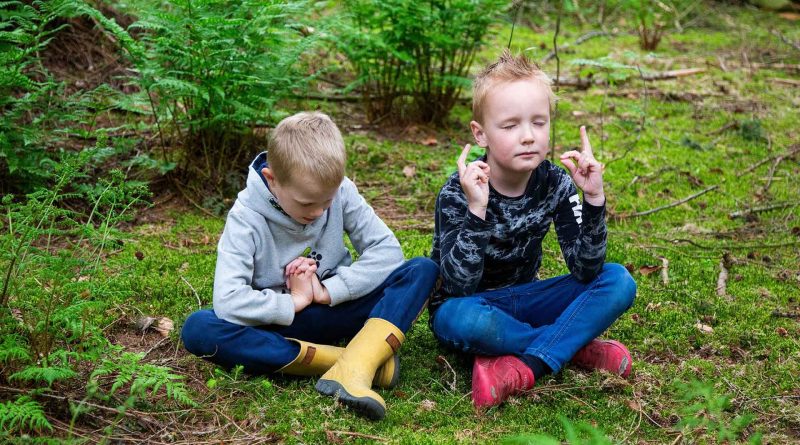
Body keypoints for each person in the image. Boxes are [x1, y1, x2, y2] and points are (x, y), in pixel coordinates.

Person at [181, 111, 438, 420]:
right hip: (286, 325)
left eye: (326, 202)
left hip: (342, 309)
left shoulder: (341, 190)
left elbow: (386, 250)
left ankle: (354, 368)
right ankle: (352, 360)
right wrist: (294, 300)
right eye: (306, 204)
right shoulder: (245, 218)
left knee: (422, 269)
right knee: (199, 329)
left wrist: (327, 290)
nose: (318, 212)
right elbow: (228, 300)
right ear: (271, 179)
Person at [429, 50, 637, 409]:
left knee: (618, 281)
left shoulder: (555, 181)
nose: (528, 136)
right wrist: (477, 209)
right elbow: (457, 286)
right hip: (471, 307)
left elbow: (585, 270)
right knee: (458, 317)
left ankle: (527, 362)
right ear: (481, 134)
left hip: (526, 299)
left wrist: (594, 200)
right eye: (510, 126)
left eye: (538, 123)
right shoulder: (459, 190)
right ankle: (569, 346)